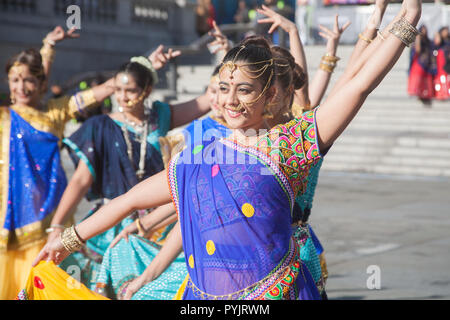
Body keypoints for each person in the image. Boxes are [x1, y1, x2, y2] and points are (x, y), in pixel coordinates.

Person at [34, 0, 422, 300]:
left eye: (244, 90)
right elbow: (130, 200)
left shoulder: (289, 143)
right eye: (224, 88)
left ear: (270, 94)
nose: (231, 101)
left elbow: (356, 86)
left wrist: (408, 17)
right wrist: (66, 240)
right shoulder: (201, 156)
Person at [40, 45, 215, 295]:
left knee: (158, 287)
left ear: (147, 90)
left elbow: (208, 100)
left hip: (157, 222)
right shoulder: (99, 126)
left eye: (130, 90)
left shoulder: (161, 116)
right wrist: (57, 226)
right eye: (118, 90)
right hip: (112, 219)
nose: (122, 97)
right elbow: (80, 180)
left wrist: (226, 53)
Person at [0, 26, 113, 300]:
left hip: (52, 223)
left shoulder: (55, 113)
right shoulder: (4, 117)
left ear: (40, 84)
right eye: (14, 80)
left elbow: (93, 95)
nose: (21, 87)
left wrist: (130, 77)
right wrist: (48, 45)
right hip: (9, 224)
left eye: (28, 81)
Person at [407, 25, 436, 105]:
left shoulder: (428, 42)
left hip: (427, 65)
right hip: (418, 63)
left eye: (425, 29)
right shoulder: (417, 40)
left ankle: (425, 94)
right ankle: (417, 93)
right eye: (422, 30)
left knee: (426, 80)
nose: (424, 31)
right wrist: (418, 37)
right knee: (418, 78)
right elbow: (418, 50)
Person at [432, 27, 450, 100]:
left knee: (447, 77)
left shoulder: (448, 40)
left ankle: (446, 93)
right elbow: (437, 42)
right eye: (445, 31)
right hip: (440, 61)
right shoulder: (440, 41)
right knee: (441, 77)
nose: (447, 32)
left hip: (447, 62)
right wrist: (437, 34)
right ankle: (440, 93)